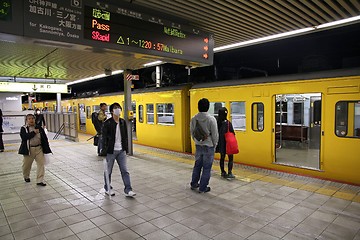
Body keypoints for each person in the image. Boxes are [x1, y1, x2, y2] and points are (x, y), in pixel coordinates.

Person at [101, 103, 136, 197]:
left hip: (121, 151)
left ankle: (128, 190)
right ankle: (108, 188)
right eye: (116, 108)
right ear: (112, 111)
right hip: (111, 151)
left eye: (119, 108)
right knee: (108, 171)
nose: (118, 110)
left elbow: (125, 136)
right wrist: (104, 151)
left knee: (125, 171)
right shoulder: (107, 123)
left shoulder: (122, 122)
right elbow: (103, 138)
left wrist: (126, 149)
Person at [190, 98, 219, 193]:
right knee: (207, 168)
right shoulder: (211, 119)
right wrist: (215, 145)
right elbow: (215, 135)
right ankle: (203, 188)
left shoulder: (194, 119)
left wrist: (197, 141)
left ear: (198, 107)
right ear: (208, 107)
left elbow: (192, 132)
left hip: (198, 146)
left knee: (197, 165)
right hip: (208, 147)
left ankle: (194, 184)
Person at [18, 114, 52, 186]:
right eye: (29, 119)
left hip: (39, 149)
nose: (31, 120)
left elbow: (44, 138)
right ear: (26, 120)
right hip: (29, 149)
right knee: (26, 165)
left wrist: (47, 147)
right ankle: (26, 176)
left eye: (32, 118)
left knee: (41, 164)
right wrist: (33, 133)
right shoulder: (24, 128)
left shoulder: (39, 127)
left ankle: (39, 180)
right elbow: (24, 137)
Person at [216, 107, 236, 179]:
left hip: (221, 144)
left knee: (222, 158)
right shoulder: (228, 123)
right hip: (228, 144)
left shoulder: (217, 123)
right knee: (230, 158)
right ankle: (230, 172)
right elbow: (233, 133)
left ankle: (223, 172)